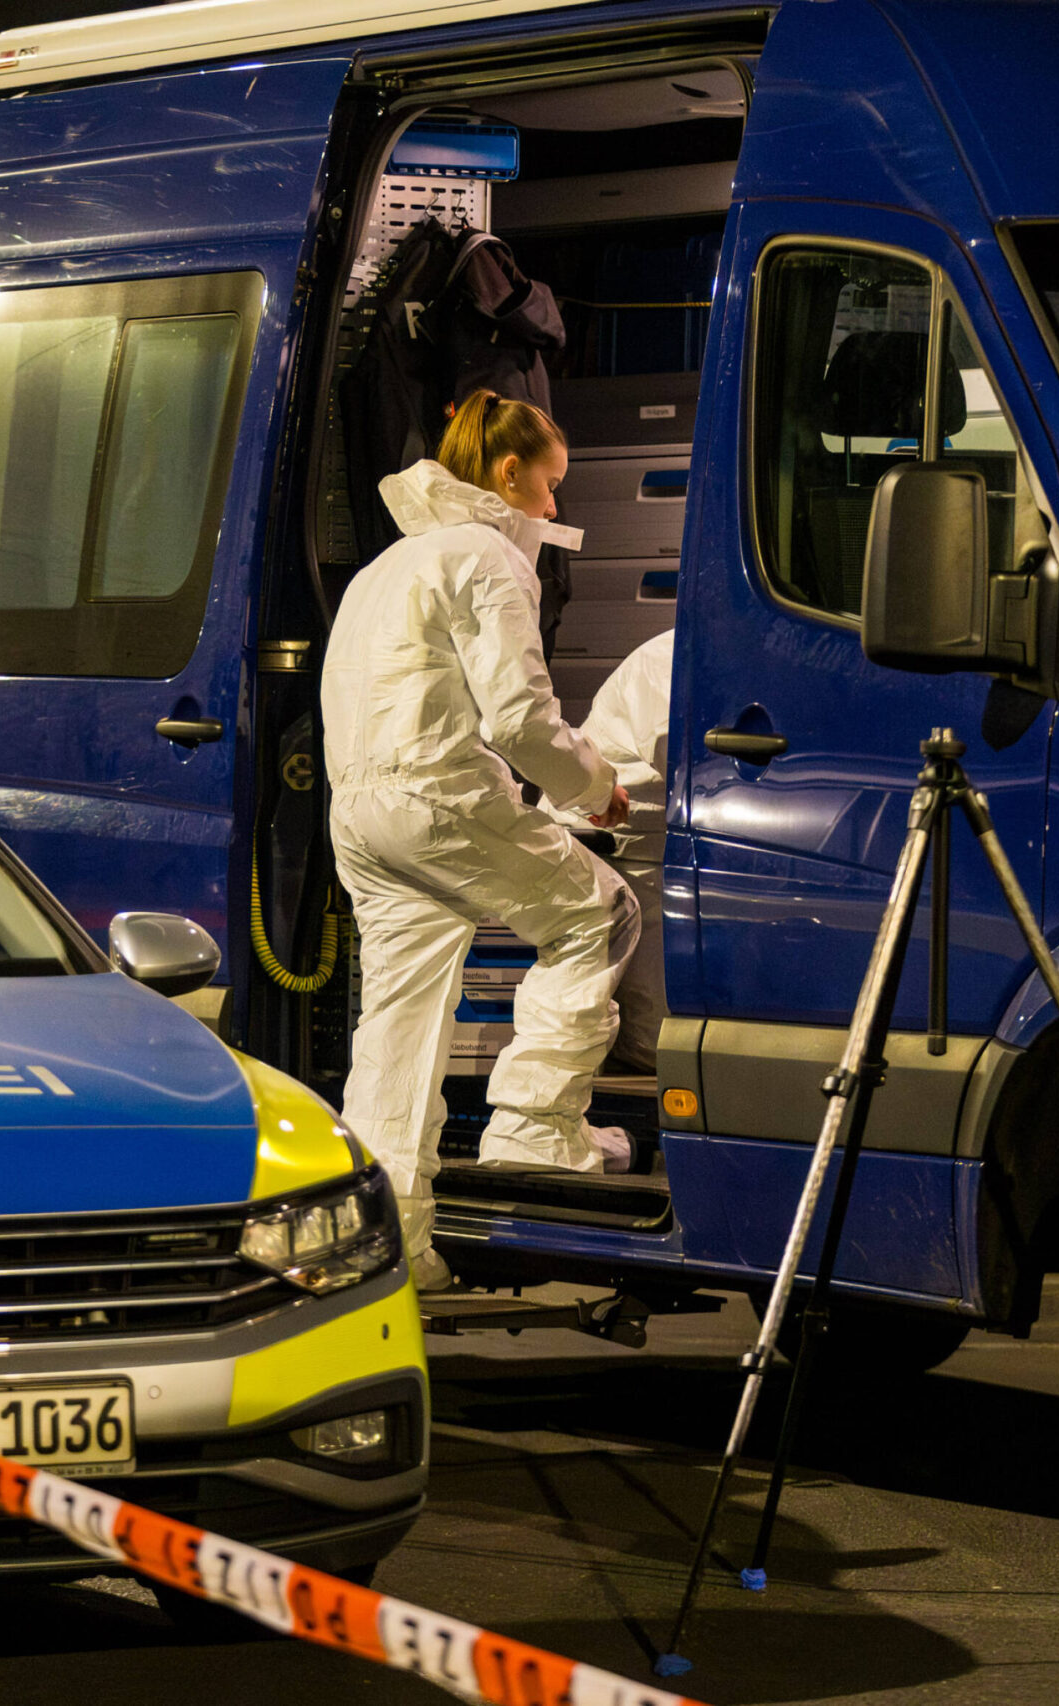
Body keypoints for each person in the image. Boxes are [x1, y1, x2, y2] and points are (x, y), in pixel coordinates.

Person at [323, 390, 636, 1294]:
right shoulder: (487, 555)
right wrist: (595, 790)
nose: (555, 505)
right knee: (600, 914)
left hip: (361, 814)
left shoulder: (381, 569)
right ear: (508, 473)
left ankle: (386, 1248)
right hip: (437, 796)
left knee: (398, 1030)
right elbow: (519, 717)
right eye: (550, 484)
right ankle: (536, 1127)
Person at [563, 627, 673, 1077]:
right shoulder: (668, 659)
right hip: (619, 846)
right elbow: (682, 759)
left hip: (657, 848)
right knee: (654, 1042)